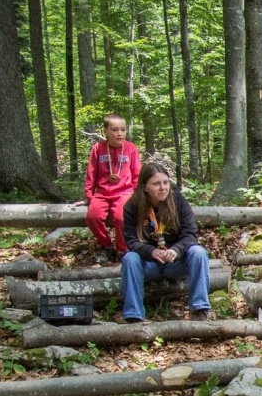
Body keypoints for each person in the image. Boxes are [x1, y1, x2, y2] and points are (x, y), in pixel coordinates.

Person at [118, 163, 213, 324]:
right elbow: (131, 241)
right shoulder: (132, 206)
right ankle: (134, 315)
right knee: (130, 258)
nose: (162, 188)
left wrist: (176, 250)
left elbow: (190, 234)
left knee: (199, 252)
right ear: (145, 187)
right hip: (149, 264)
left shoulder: (178, 201)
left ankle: (200, 309)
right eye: (156, 184)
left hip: (175, 262)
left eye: (165, 182)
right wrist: (150, 252)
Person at [83, 113, 141, 260]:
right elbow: (91, 172)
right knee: (92, 217)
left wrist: (137, 194)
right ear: (106, 131)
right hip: (102, 193)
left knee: (120, 218)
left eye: (123, 129)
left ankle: (122, 249)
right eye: (115, 130)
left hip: (125, 192)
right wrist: (89, 196)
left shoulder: (131, 148)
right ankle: (106, 245)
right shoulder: (98, 148)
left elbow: (137, 174)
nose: (120, 133)